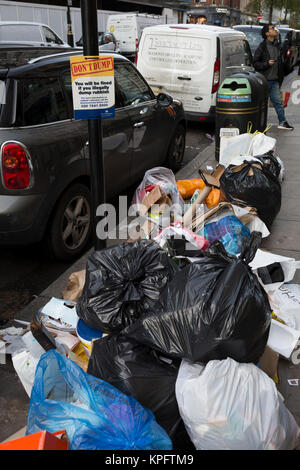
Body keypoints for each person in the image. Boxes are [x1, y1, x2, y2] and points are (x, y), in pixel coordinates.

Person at [253, 23, 294, 130]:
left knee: (278, 102)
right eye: (272, 29)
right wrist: (267, 63)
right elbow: (255, 63)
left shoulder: (278, 45)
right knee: (262, 104)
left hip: (275, 80)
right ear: (267, 33)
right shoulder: (262, 47)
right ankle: (259, 124)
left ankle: (282, 122)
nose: (275, 30)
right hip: (264, 80)